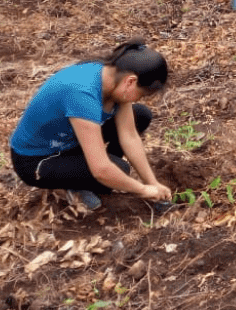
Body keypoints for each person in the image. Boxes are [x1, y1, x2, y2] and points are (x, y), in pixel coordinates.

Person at [10, 39, 172, 211]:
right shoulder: (82, 94)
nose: (138, 99)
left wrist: (152, 182)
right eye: (141, 94)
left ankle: (95, 177)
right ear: (130, 82)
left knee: (140, 114)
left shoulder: (113, 76)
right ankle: (81, 183)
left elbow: (129, 136)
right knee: (116, 169)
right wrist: (142, 190)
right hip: (36, 160)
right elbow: (101, 169)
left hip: (68, 141)